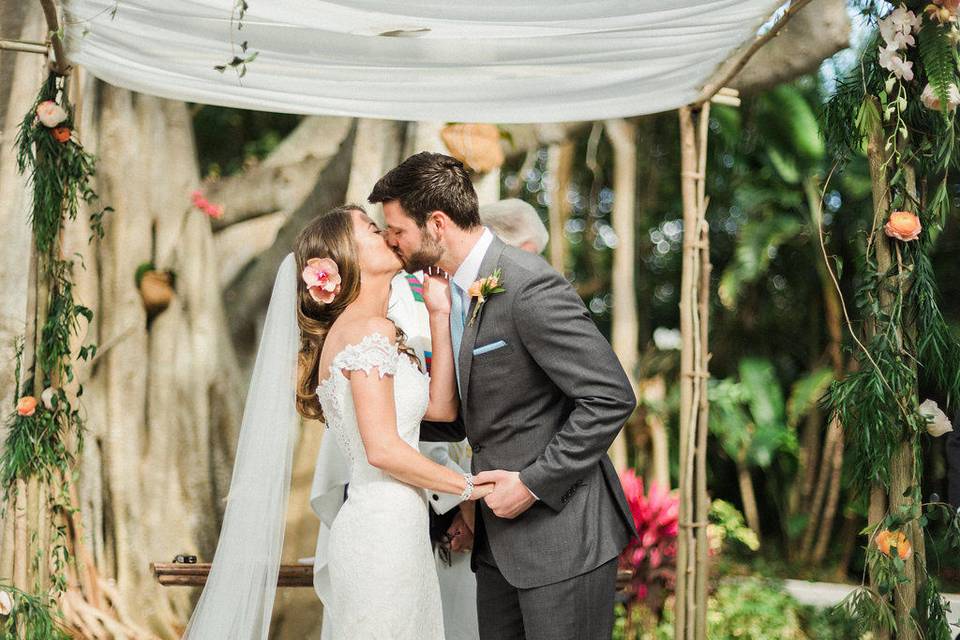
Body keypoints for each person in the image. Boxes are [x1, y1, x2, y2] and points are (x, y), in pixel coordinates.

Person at [182, 204, 494, 639]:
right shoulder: (367, 331)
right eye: (371, 228)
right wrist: (469, 487)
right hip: (380, 533)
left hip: (400, 527)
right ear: (345, 257)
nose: (386, 233)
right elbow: (382, 450)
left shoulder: (369, 330)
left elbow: (441, 410)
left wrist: (439, 314)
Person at [371, 153, 637, 640]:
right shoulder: (457, 289)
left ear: (437, 223)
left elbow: (610, 396)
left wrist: (533, 483)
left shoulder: (527, 284)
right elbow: (480, 416)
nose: (391, 241)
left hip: (563, 539)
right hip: (497, 546)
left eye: (397, 229)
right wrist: (373, 416)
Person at [418, 197, 552, 640]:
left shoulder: (533, 301)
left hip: (512, 514)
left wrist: (471, 504)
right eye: (527, 255)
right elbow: (446, 420)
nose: (531, 272)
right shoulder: (433, 304)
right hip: (447, 506)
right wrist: (460, 503)